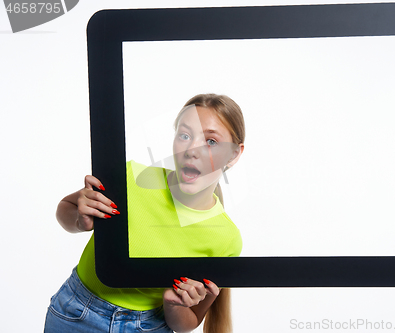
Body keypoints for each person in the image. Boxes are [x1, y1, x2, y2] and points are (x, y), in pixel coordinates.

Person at [44, 94, 245, 333]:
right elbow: (65, 209)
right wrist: (80, 217)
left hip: (149, 326)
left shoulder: (227, 239)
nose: (192, 149)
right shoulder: (132, 177)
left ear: (234, 154)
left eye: (211, 141)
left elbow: (188, 323)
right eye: (185, 135)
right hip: (75, 314)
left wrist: (174, 304)